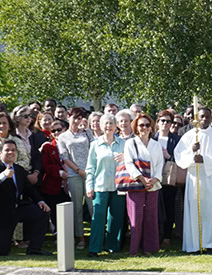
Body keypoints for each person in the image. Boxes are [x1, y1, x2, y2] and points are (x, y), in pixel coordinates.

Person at [0, 139, 51, 256]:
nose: (11, 152)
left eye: (13, 150)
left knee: (42, 212)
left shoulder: (19, 170)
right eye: (7, 150)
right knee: (1, 251)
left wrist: (40, 201)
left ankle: (34, 249)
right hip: (0, 214)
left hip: (17, 209)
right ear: (0, 153)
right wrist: (3, 176)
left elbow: (29, 189)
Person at [175, 107, 212, 253]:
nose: (204, 119)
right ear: (196, 119)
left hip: (211, 178)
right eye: (201, 117)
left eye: (207, 116)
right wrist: (192, 152)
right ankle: (194, 243)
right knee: (194, 210)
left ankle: (211, 243)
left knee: (211, 211)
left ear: (211, 118)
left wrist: (205, 160)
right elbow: (178, 155)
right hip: (194, 178)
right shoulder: (189, 136)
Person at [122, 114, 166, 255]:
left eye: (147, 125)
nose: (145, 128)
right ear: (136, 127)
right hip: (136, 185)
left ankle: (150, 248)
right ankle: (134, 249)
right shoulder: (130, 143)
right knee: (136, 217)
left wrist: (154, 179)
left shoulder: (156, 144)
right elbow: (128, 163)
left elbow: (160, 164)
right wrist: (141, 178)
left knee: (151, 216)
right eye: (141, 125)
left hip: (153, 185)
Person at [85, 113, 126, 256]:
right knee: (98, 218)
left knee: (116, 217)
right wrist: (89, 186)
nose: (108, 126)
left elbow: (131, 162)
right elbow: (90, 168)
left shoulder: (123, 143)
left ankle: (113, 246)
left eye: (111, 123)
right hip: (100, 186)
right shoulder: (95, 144)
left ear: (116, 126)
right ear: (101, 126)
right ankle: (94, 248)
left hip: (118, 186)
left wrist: (126, 158)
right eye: (106, 123)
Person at [58, 107, 92, 249]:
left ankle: (98, 236)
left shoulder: (88, 133)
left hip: (90, 173)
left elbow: (94, 151)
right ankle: (80, 237)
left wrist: (88, 171)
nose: (77, 121)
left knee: (93, 206)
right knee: (77, 207)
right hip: (74, 175)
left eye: (80, 118)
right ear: (68, 117)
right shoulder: (63, 137)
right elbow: (65, 158)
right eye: (75, 117)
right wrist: (78, 170)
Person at [155, 110, 183, 250]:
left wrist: (168, 155)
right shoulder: (151, 138)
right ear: (158, 122)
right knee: (154, 208)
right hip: (153, 178)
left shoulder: (177, 140)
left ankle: (166, 236)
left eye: (168, 121)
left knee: (168, 207)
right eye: (163, 121)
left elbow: (181, 158)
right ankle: (155, 235)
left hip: (169, 178)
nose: (165, 124)